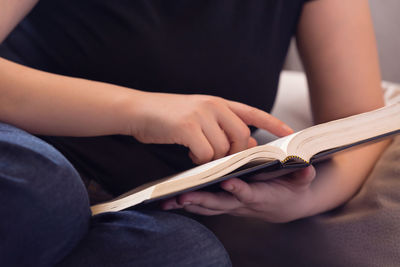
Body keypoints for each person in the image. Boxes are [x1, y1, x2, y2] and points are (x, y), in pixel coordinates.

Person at [0, 0, 391, 266]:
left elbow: (361, 120)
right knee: (48, 192)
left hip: (126, 207)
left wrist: (302, 201)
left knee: (187, 253)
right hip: (23, 157)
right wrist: (137, 109)